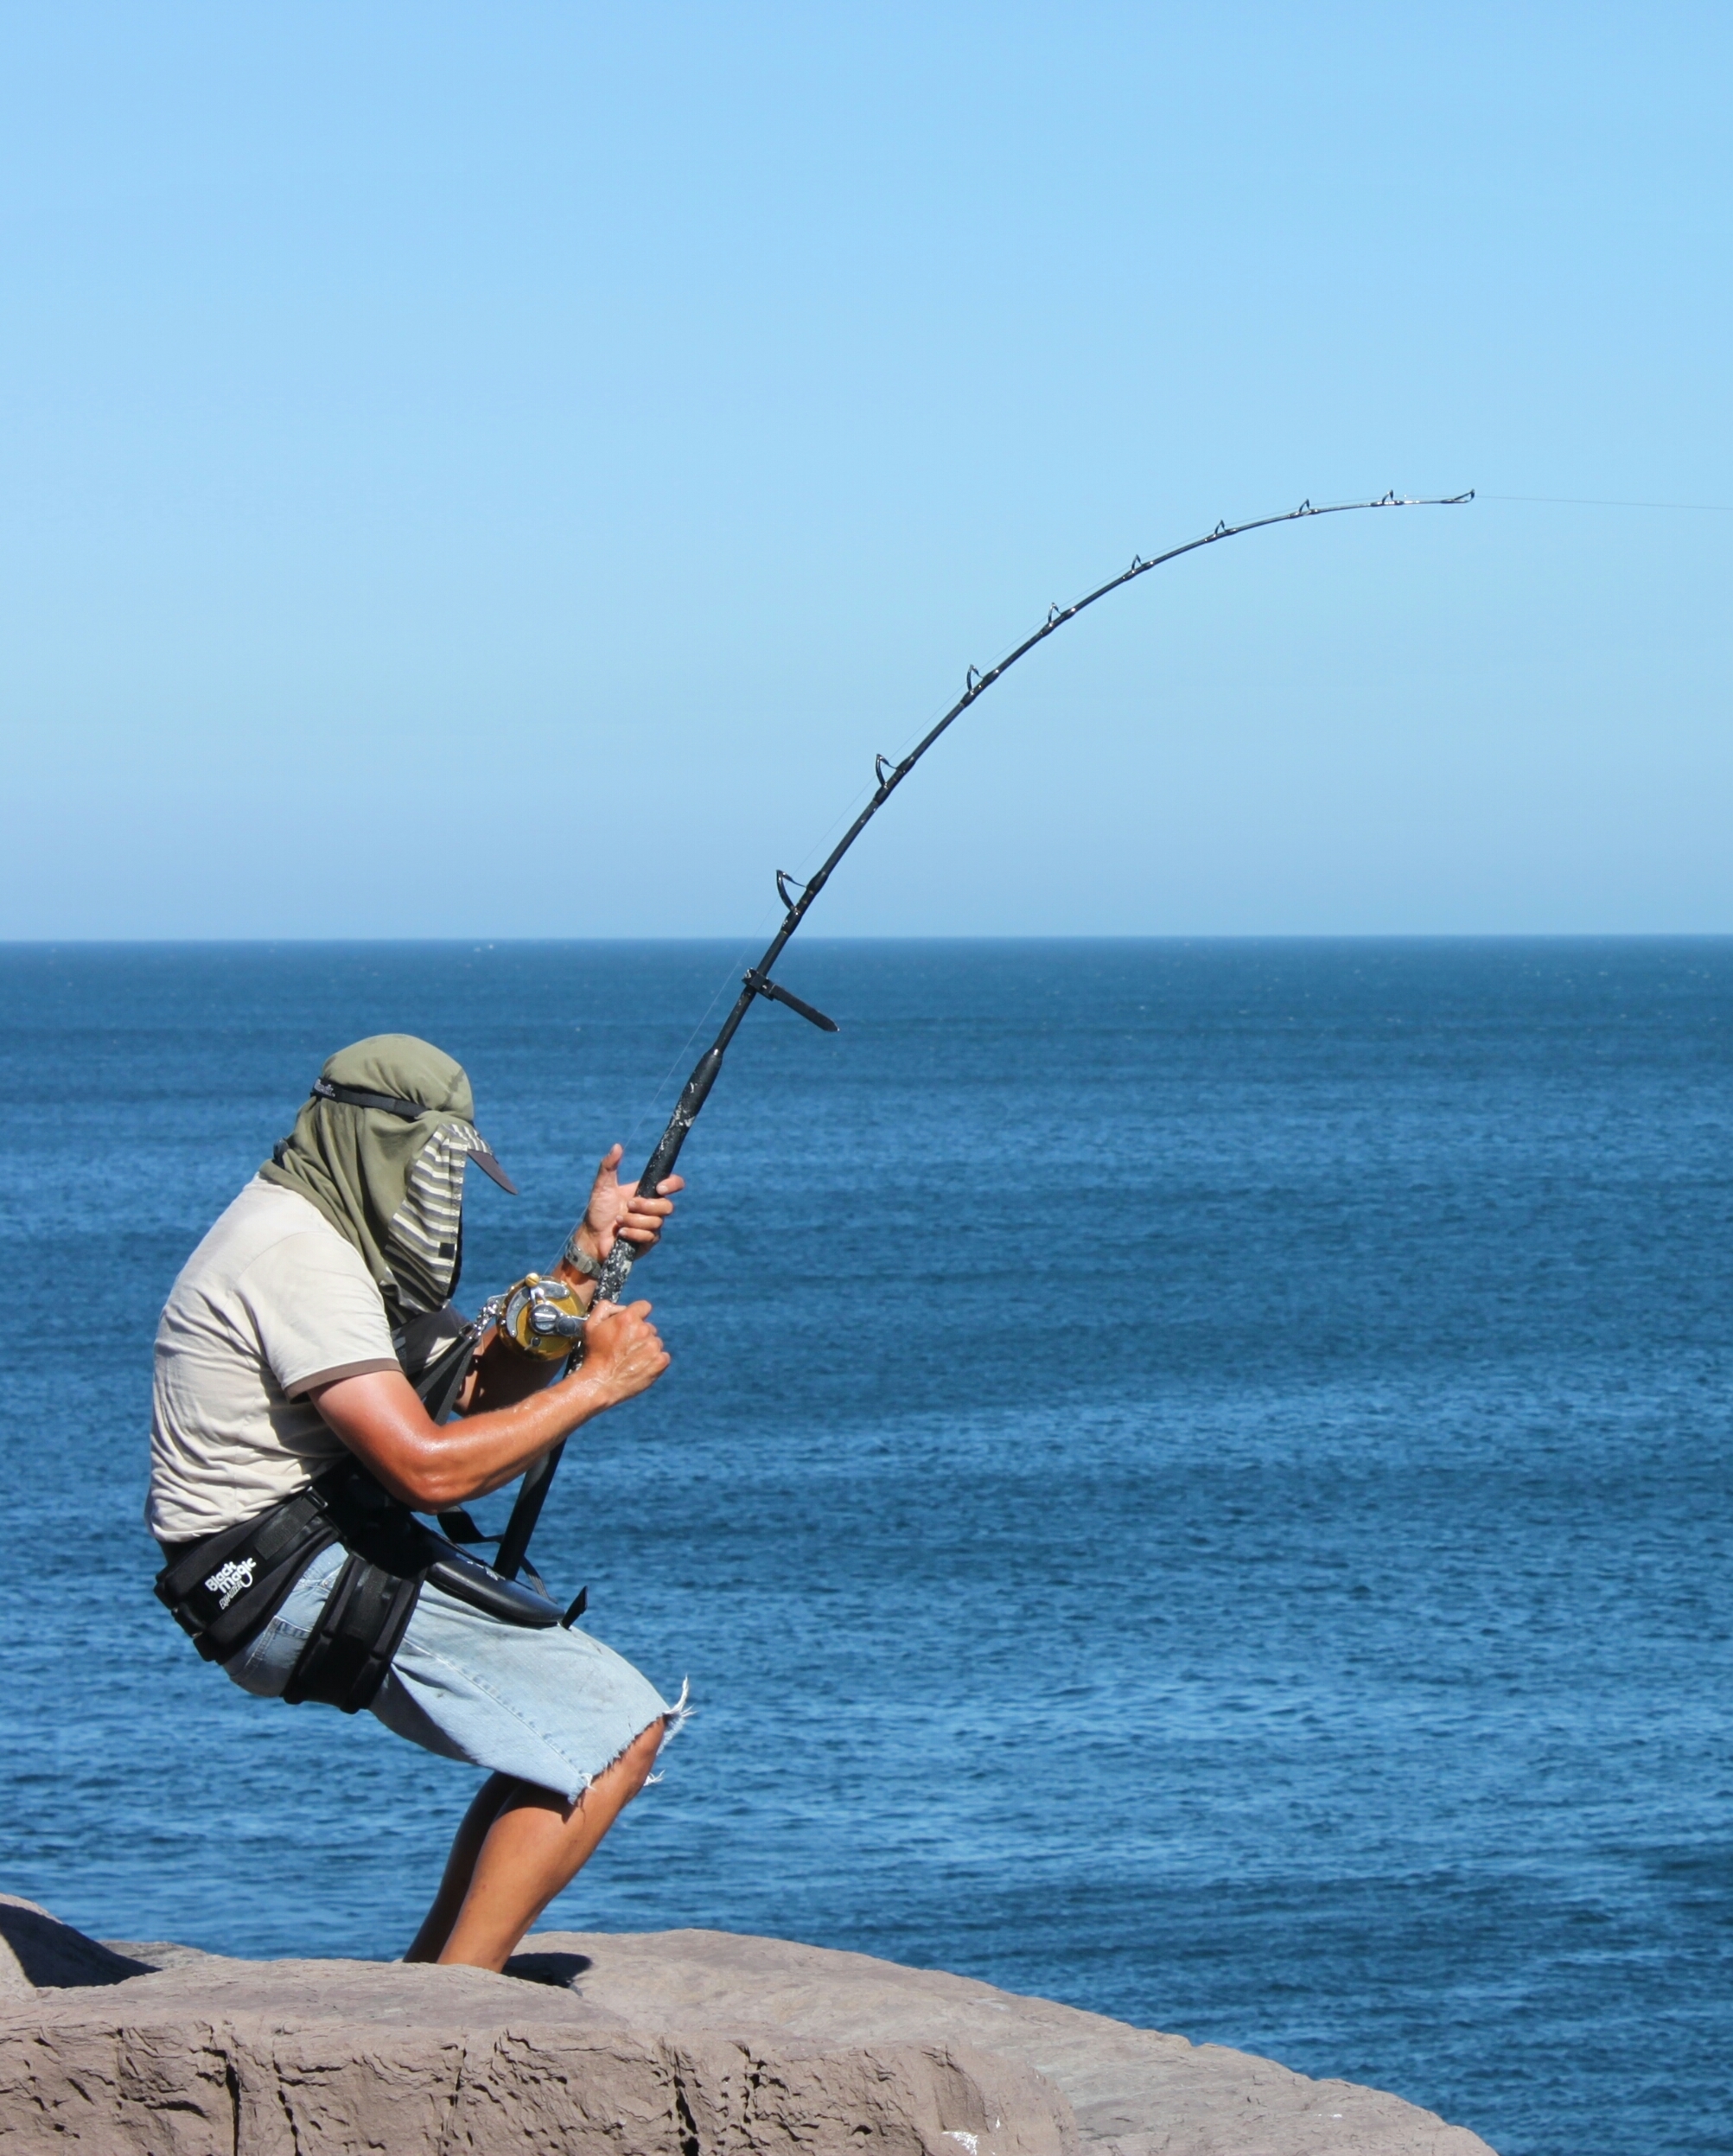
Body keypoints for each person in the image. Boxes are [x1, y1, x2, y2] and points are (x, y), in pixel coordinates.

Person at [148, 1034, 685, 1970]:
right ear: (377, 1142)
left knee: (556, 1739)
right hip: (273, 1570)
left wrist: (582, 1264)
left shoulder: (334, 1231)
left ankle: (428, 1990)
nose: (443, 1193)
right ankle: (454, 2007)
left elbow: (472, 1388)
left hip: (296, 1546)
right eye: (434, 1165)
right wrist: (596, 1384)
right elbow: (427, 1472)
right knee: (613, 1733)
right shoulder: (298, 1256)